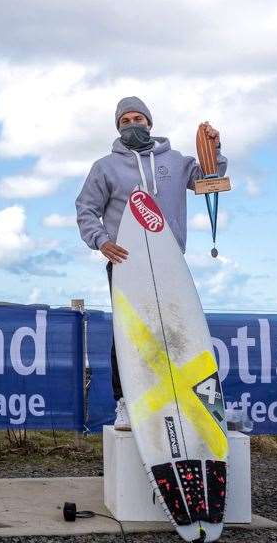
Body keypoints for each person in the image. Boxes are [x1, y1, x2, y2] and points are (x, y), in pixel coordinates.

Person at [75, 96, 224, 430]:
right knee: (129, 334)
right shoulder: (105, 167)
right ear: (117, 126)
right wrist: (102, 241)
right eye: (125, 120)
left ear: (150, 123)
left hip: (170, 261)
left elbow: (209, 179)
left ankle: (181, 398)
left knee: (177, 329)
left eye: (138, 119)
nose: (132, 125)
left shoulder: (175, 160)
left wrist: (214, 146)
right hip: (127, 263)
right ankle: (125, 403)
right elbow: (86, 208)